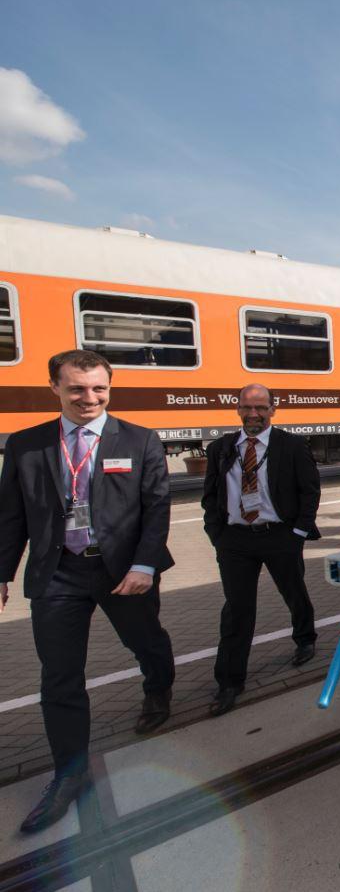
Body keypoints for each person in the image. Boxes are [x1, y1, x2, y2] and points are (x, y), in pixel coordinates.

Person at [0, 350, 176, 833]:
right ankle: (69, 774)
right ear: (54, 387)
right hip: (57, 573)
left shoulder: (139, 441)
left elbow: (156, 509)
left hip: (124, 572)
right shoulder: (26, 445)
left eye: (99, 388)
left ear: (109, 388)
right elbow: (11, 516)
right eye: (77, 388)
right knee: (59, 676)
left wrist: (144, 564)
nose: (89, 398)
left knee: (147, 643)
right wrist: (3, 571)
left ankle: (158, 690)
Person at [201, 384, 321, 717]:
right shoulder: (221, 448)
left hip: (279, 535)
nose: (253, 414)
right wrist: (216, 533)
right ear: (237, 409)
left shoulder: (292, 446)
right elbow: (210, 495)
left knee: (293, 590)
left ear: (273, 409)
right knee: (237, 609)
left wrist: (298, 532)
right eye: (247, 408)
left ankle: (305, 637)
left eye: (260, 408)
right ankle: (229, 681)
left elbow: (310, 491)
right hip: (235, 541)